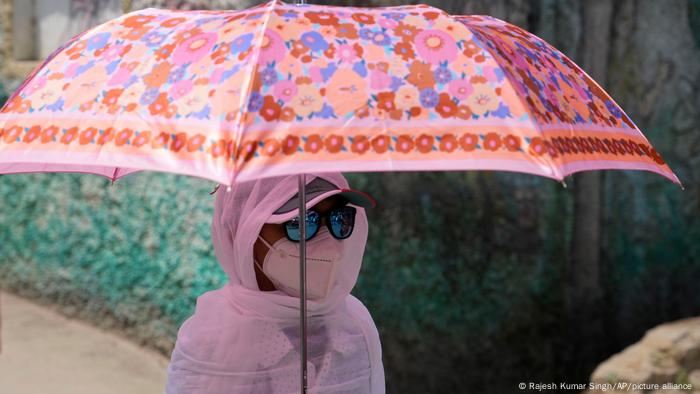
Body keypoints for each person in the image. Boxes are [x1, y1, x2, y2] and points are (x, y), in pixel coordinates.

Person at [165, 172, 385, 393]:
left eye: (340, 218)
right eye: (300, 222)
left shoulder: (355, 324)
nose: (329, 242)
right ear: (245, 229)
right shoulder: (210, 340)